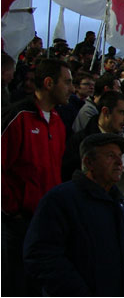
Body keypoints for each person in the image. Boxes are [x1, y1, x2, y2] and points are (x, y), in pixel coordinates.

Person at [23, 133, 124, 296]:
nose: (119, 163)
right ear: (89, 162)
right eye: (110, 156)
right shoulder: (60, 200)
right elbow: (41, 256)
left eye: (120, 156)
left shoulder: (123, 206)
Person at [1, 58, 73, 296]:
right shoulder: (18, 117)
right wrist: (12, 209)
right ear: (49, 83)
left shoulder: (59, 124)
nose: (71, 88)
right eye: (67, 82)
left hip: (46, 223)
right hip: (18, 226)